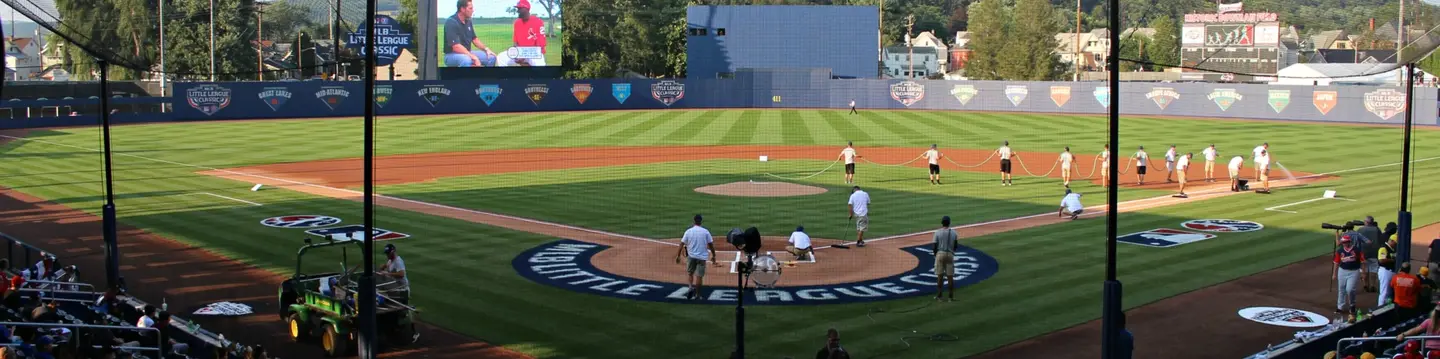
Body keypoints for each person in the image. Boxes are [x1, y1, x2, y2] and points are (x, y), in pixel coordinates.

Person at [442, 0, 498, 67]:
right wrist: (473, 57)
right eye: (470, 8)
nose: (473, 10)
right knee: (466, 60)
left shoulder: (468, 21)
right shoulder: (451, 22)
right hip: (451, 55)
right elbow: (456, 46)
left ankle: (485, 77)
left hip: (467, 52)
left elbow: (474, 39)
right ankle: (465, 77)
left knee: (491, 58)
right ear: (462, 9)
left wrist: (487, 49)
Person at [675, 214, 716, 300]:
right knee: (699, 276)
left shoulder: (688, 231)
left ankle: (690, 287)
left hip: (691, 256)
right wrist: (713, 255)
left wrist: (678, 256)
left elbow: (681, 244)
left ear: (694, 221)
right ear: (701, 221)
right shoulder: (705, 231)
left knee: (690, 273)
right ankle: (697, 295)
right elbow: (711, 245)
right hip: (702, 258)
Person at [505, 0, 548, 66]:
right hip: (520, 53)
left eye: (519, 8)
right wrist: (514, 51)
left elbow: (540, 46)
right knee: (501, 57)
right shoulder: (517, 23)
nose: (517, 11)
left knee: (540, 65)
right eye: (517, 9)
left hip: (535, 54)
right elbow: (515, 43)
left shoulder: (538, 21)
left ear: (526, 9)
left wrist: (525, 56)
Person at [1335, 234, 1368, 317]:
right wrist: (1334, 274)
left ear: (1349, 242)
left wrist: (1363, 273)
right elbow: (1336, 263)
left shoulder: (1356, 250)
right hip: (1342, 271)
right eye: (1343, 242)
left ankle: (1352, 305)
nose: (1344, 244)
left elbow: (1363, 262)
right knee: (1341, 289)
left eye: (1346, 242)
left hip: (1354, 271)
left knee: (1350, 289)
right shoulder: (1340, 250)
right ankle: (1340, 307)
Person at [933, 216, 959, 301]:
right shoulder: (954, 232)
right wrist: (952, 252)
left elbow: (934, 246)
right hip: (950, 255)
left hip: (940, 254)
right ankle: (950, 297)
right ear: (949, 222)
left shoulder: (937, 232)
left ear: (942, 223)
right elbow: (955, 245)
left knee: (940, 276)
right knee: (950, 277)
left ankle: (939, 296)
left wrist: (935, 255)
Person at [1360, 217, 1384, 292]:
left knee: (1364, 269)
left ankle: (1365, 285)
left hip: (1363, 253)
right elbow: (1381, 241)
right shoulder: (1377, 229)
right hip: (1374, 252)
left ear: (1366, 222)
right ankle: (1373, 285)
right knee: (1373, 269)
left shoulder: (1361, 229)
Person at [1380, 235, 1398, 304]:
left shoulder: (1392, 249)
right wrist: (1393, 260)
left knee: (1389, 292)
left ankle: (1387, 308)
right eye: (1395, 243)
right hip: (1385, 271)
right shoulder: (1383, 248)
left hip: (1391, 271)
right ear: (1391, 241)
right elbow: (1381, 260)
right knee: (1384, 292)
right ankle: (1380, 307)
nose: (1395, 245)